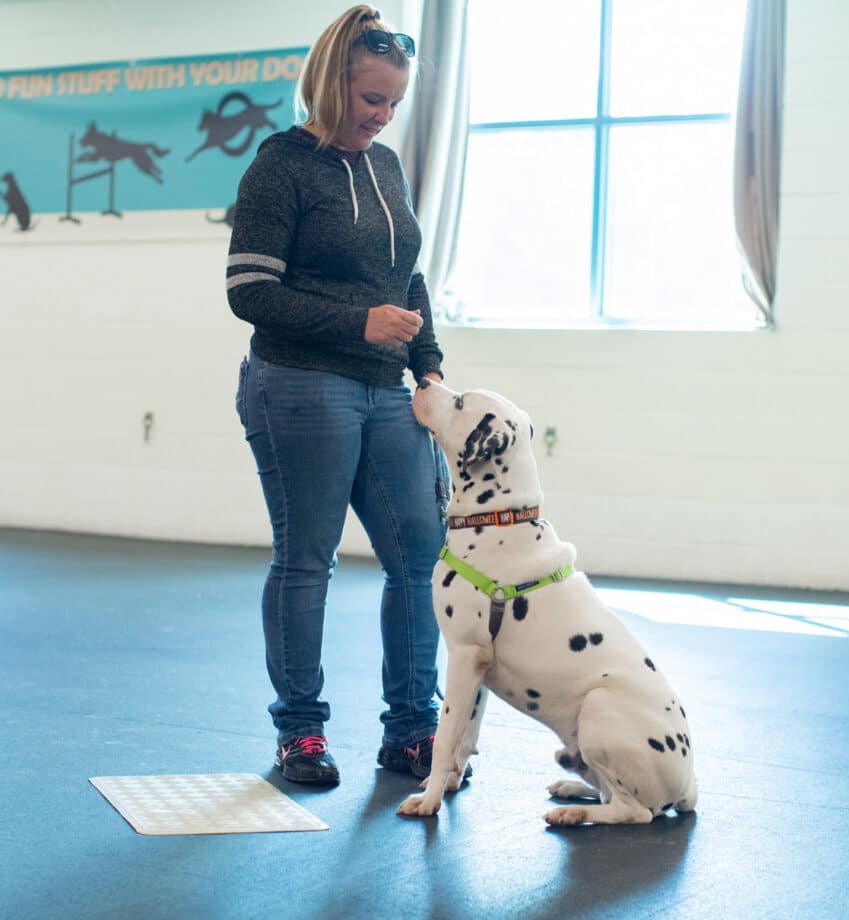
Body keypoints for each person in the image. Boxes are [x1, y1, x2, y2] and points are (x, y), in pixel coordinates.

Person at [227, 4, 452, 786]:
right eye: (370, 101)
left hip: (386, 389)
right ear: (331, 86)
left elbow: (406, 278)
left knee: (418, 556)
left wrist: (427, 365)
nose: (383, 117)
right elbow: (248, 290)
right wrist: (360, 322)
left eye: (394, 104)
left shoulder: (384, 167)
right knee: (307, 561)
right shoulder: (280, 164)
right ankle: (301, 733)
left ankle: (414, 730)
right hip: (297, 383)